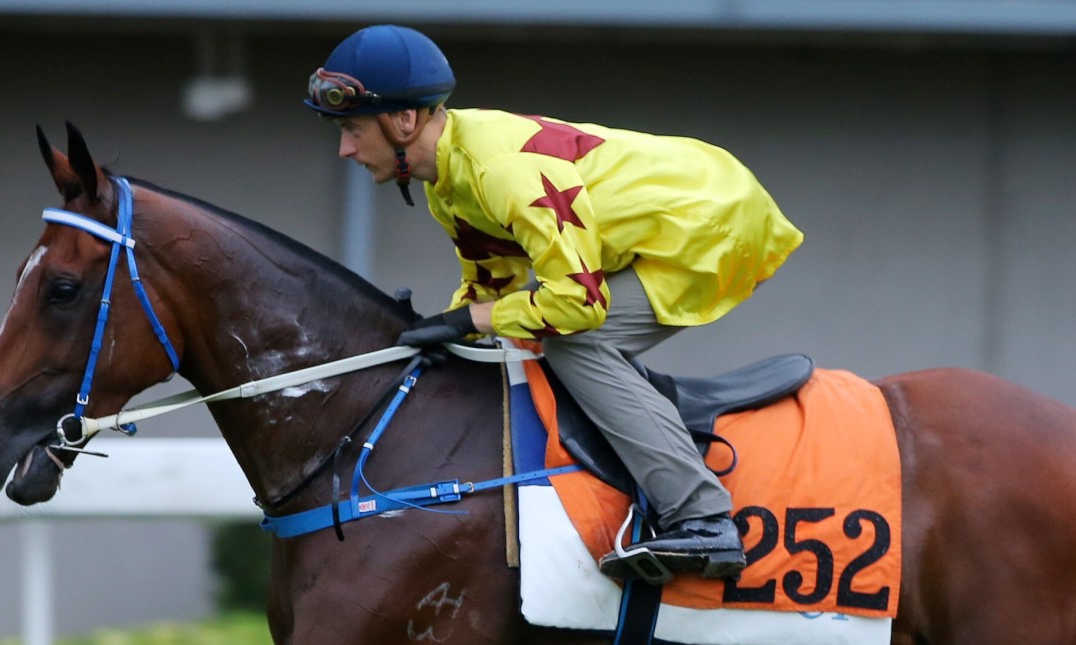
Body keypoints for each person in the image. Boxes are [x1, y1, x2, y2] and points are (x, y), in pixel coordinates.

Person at [305, 25, 803, 583]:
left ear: (403, 122)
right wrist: (441, 331)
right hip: (673, 212)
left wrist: (466, 321)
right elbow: (489, 290)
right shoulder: (446, 182)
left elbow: (576, 305)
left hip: (714, 223)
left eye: (351, 128)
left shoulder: (500, 171)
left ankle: (704, 520)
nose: (345, 148)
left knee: (577, 342)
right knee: (520, 328)